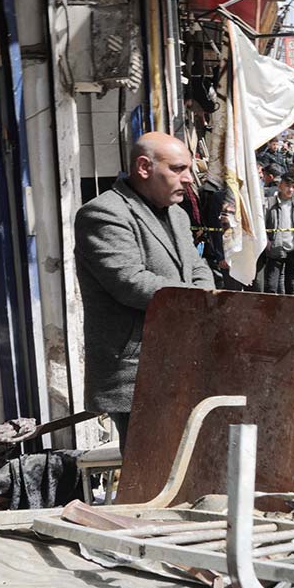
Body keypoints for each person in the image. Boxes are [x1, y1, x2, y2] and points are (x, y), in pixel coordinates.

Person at [74, 132, 213, 450]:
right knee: (150, 474)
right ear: (144, 167)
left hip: (182, 363)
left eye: (188, 169)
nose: (188, 179)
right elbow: (131, 282)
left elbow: (198, 267)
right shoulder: (103, 214)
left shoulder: (176, 214)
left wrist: (206, 294)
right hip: (138, 374)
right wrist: (200, 300)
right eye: (178, 169)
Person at [265, 173, 294, 295]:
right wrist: (266, 241)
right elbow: (262, 225)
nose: (290, 190)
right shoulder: (269, 203)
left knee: (292, 285)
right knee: (271, 286)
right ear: (280, 185)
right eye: (287, 186)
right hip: (275, 249)